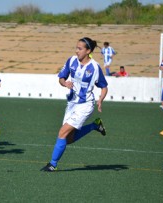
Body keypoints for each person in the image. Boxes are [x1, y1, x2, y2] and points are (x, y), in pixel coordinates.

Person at [41, 37, 108, 172]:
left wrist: (100, 100)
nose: (76, 51)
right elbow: (61, 78)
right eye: (76, 48)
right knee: (68, 139)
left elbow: (104, 86)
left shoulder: (94, 67)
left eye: (80, 48)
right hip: (71, 103)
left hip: (85, 104)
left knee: (62, 132)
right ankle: (94, 125)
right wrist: (65, 83)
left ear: (88, 50)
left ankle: (52, 164)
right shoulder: (71, 60)